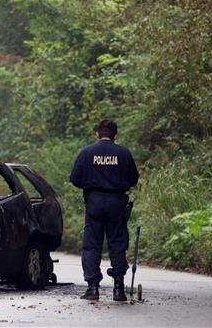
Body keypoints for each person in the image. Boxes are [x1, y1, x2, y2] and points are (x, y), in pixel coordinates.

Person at [70, 119, 139, 301]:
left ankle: (93, 288)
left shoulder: (87, 153)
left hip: (94, 202)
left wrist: (91, 185)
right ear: (115, 136)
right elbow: (133, 178)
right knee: (117, 243)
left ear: (97, 134)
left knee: (92, 244)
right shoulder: (123, 153)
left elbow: (74, 178)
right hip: (116, 202)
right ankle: (118, 289)